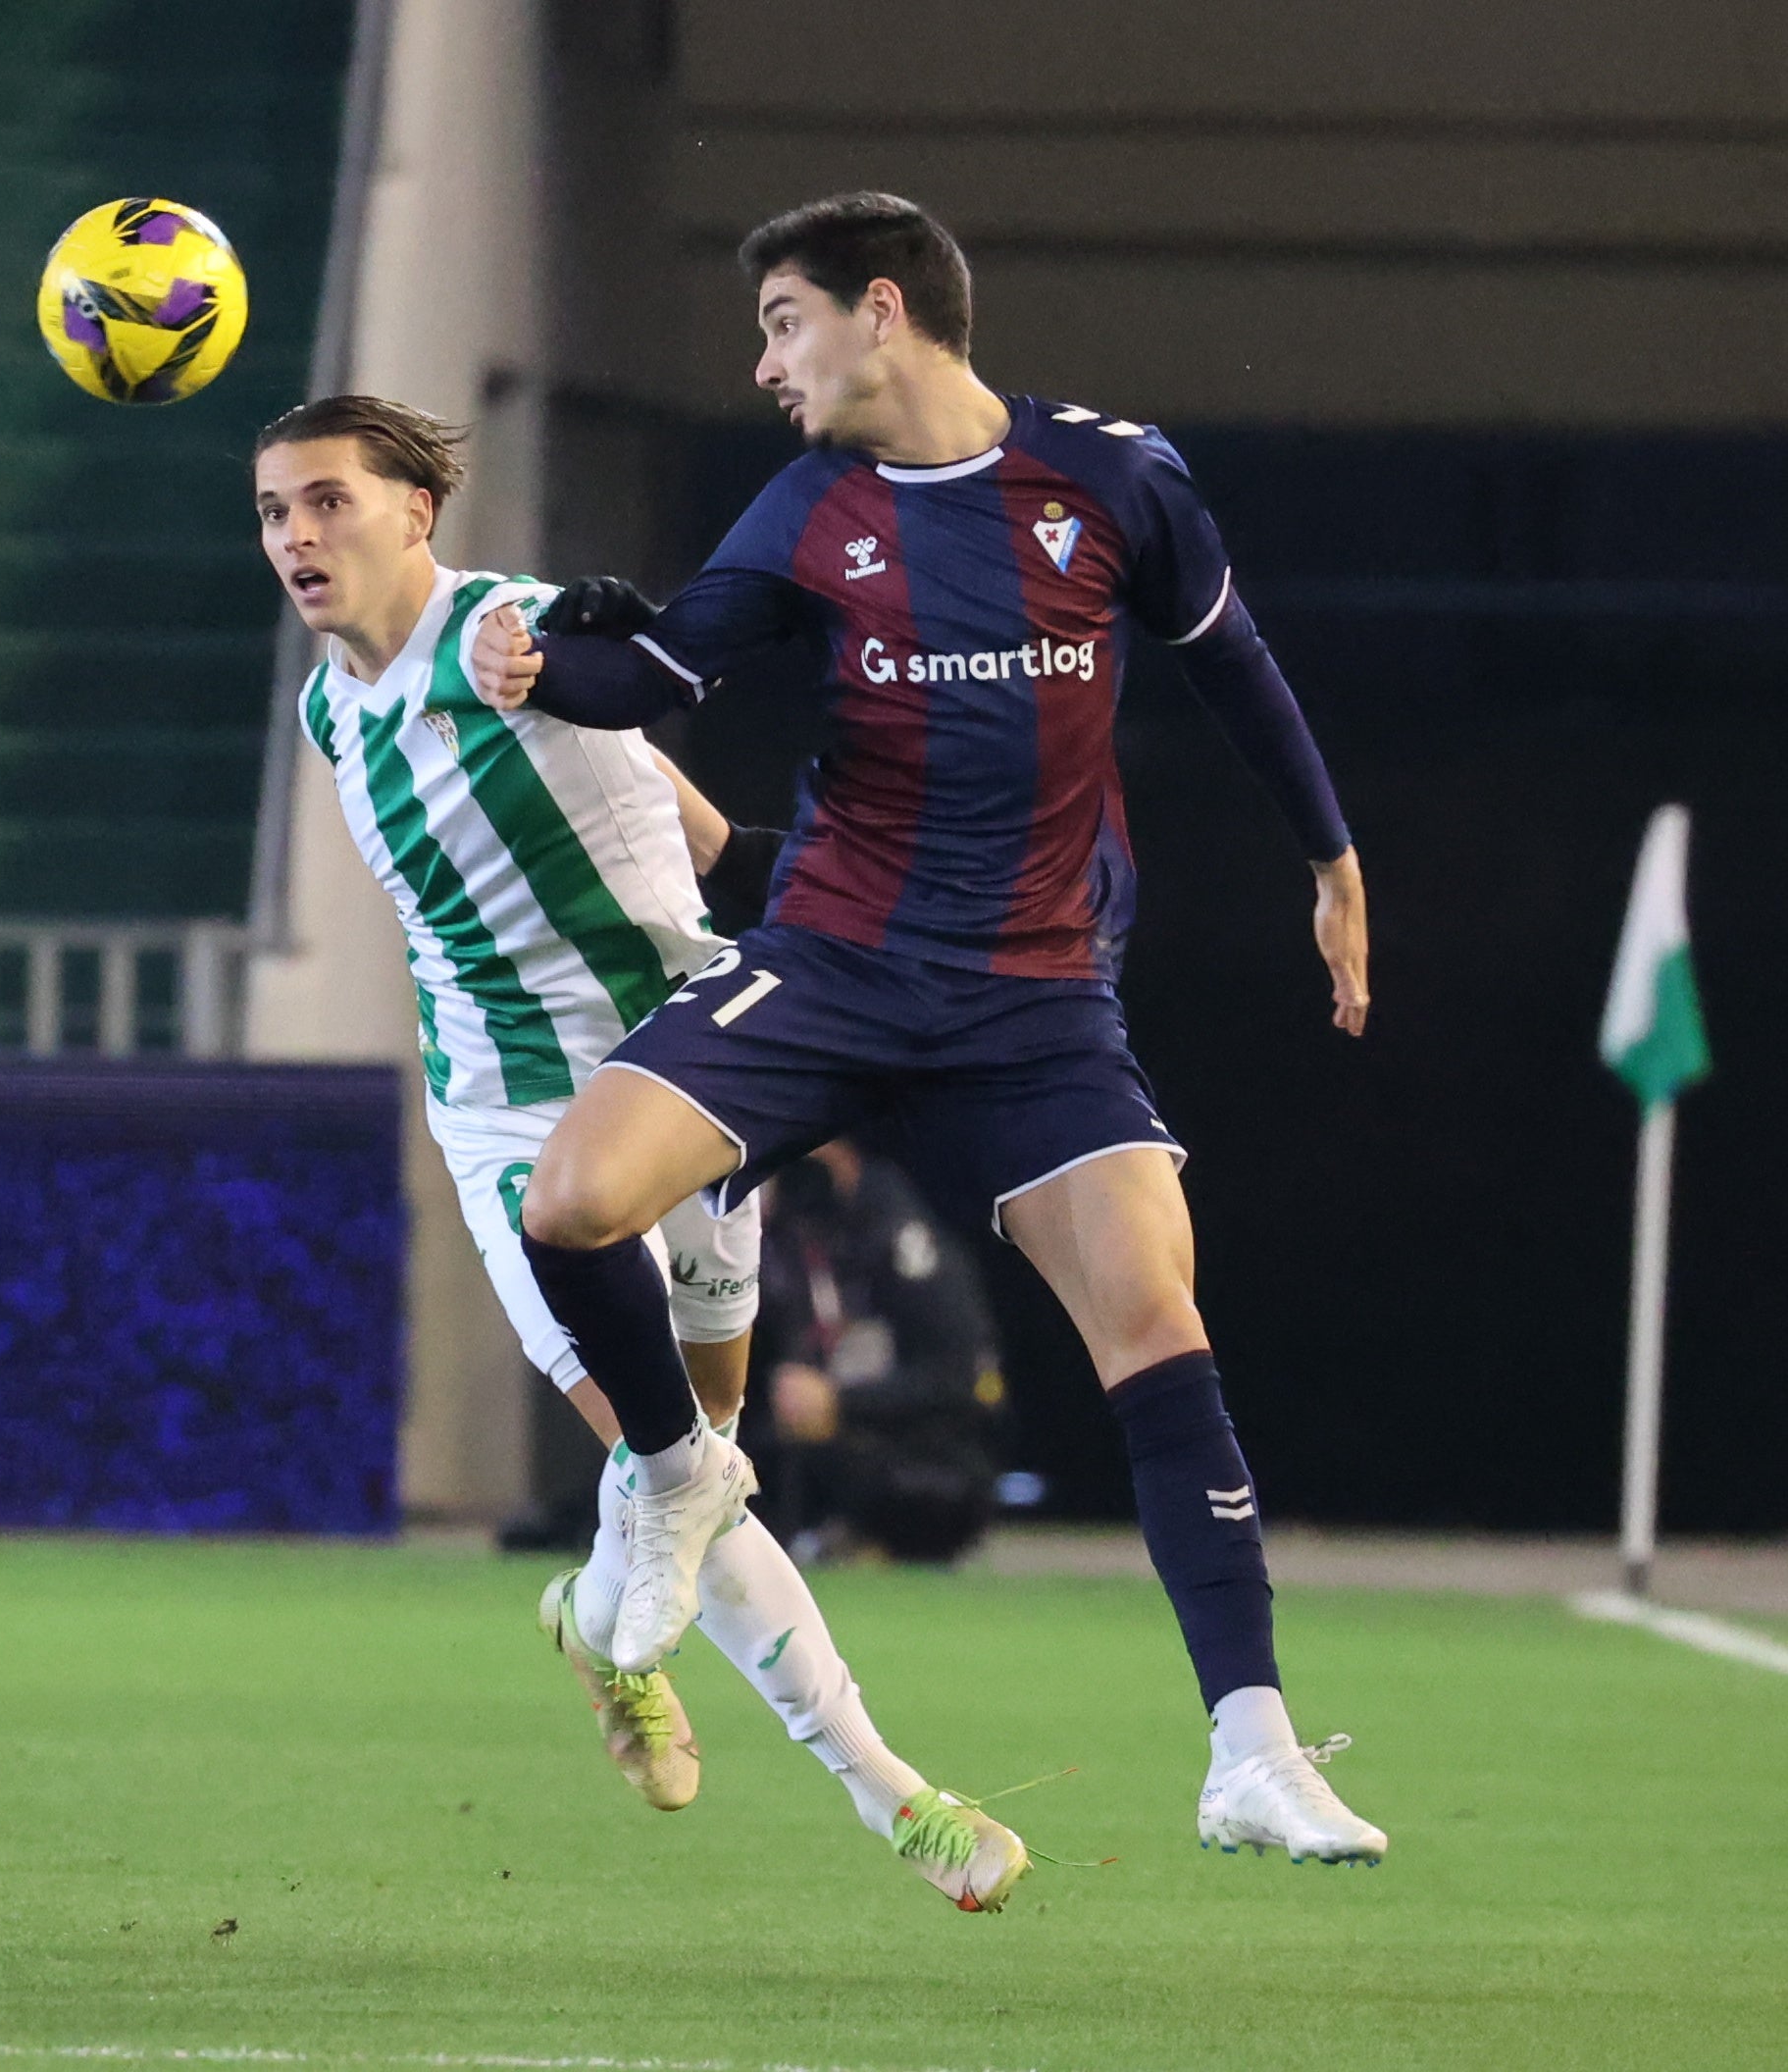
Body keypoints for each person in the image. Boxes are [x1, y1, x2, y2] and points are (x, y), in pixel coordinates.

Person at [469, 192, 1387, 1865]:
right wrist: (539, 660)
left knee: (1155, 1321)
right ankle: (674, 1474)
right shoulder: (812, 505)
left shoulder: (1111, 478)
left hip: (1033, 1001)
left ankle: (1251, 1750)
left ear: (881, 311)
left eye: (783, 323)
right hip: (827, 962)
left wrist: (1330, 860)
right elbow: (659, 673)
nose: (763, 364)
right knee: (572, 1202)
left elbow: (1236, 667)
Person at [249, 393, 1028, 1912]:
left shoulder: (506, 634)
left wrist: (583, 667)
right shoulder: (328, 709)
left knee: (695, 1455)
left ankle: (601, 1627)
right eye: (274, 510)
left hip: (684, 1073)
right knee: (682, 1466)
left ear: (416, 512)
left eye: (328, 501)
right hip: (511, 1120)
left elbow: (602, 662)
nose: (295, 535)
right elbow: (678, 810)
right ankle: (895, 1797)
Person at [753, 1140, 1006, 1566]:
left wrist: (841, 1403)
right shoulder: (792, 1236)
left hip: (921, 1465)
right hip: (815, 1459)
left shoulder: (898, 1234)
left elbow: (961, 1378)